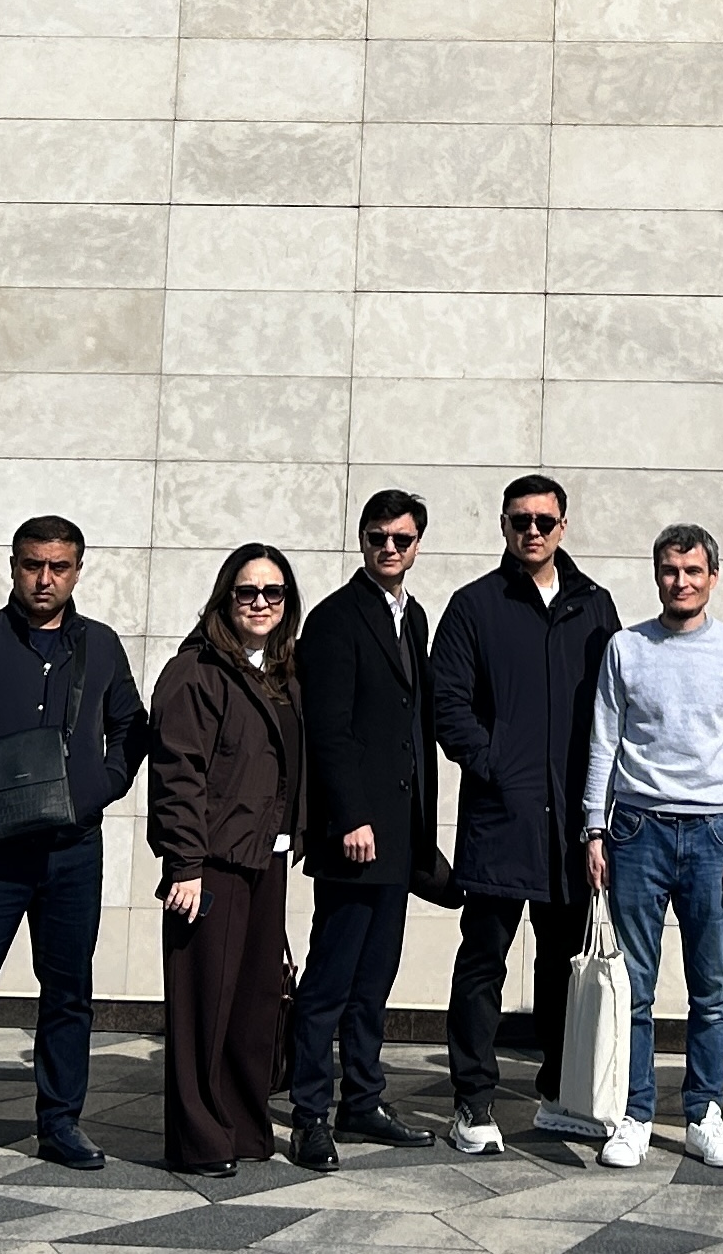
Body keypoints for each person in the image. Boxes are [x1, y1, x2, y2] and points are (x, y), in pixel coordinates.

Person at [0, 516, 152, 1183]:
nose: (45, 579)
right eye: (32, 565)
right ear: (13, 567)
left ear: (77, 570)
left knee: (69, 992)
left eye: (59, 566)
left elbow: (131, 727)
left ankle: (60, 1122)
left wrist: (101, 786)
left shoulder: (100, 645)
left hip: (74, 849)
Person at [430, 472, 622, 1152]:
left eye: (544, 521)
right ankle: (473, 1102)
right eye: (520, 521)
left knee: (563, 962)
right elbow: (448, 703)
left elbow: (614, 705)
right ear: (504, 526)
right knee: (483, 960)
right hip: (501, 817)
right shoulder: (474, 606)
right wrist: (495, 766)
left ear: (563, 526)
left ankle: (558, 1091)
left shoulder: (594, 605)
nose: (532, 531)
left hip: (570, 824)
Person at [578, 522, 723, 1169]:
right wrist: (594, 828)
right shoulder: (626, 647)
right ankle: (635, 1114)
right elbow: (604, 740)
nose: (681, 582)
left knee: (710, 988)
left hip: (714, 832)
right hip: (637, 829)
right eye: (670, 570)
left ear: (713, 576)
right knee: (633, 984)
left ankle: (702, 1113)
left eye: (693, 571)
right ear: (656, 574)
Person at [286, 491, 446, 1170]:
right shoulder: (334, 619)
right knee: (330, 979)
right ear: (361, 539)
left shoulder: (414, 618)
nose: (389, 548)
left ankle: (363, 1100)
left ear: (416, 546)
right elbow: (328, 730)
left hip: (399, 836)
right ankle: (309, 1115)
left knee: (375, 977)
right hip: (355, 834)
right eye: (377, 536)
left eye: (401, 539)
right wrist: (350, 815)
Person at [153, 545, 309, 1178]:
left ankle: (244, 1128)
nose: (261, 603)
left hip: (267, 856)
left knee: (253, 1003)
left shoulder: (281, 673)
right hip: (211, 862)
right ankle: (199, 1140)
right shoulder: (196, 671)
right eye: (248, 592)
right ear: (226, 598)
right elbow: (177, 773)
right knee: (203, 1007)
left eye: (274, 593)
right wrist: (185, 864)